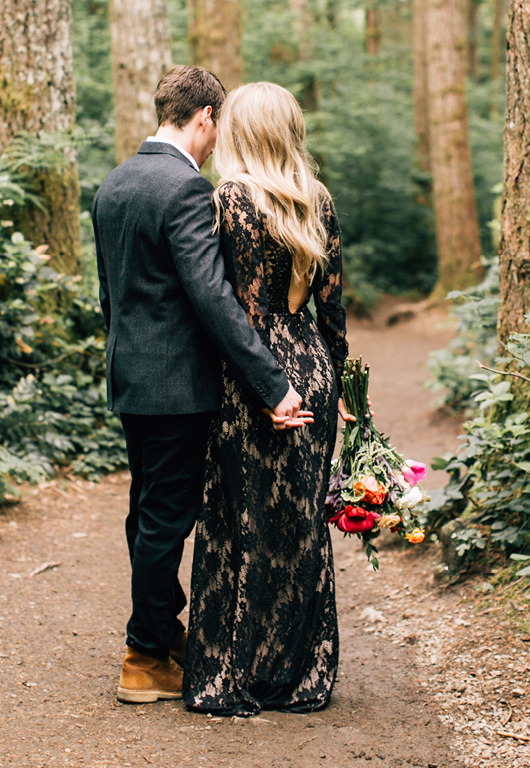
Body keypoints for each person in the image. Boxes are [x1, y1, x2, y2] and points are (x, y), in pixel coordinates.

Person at [91, 66, 310, 706]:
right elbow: (214, 299)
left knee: (146, 515)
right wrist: (272, 383)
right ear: (206, 117)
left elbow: (112, 296)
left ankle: (162, 629)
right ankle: (144, 655)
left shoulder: (114, 184)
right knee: (165, 519)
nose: (217, 145)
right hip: (179, 386)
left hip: (130, 377)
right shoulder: (186, 188)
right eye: (217, 129)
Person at [183, 81, 350, 717]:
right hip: (310, 365)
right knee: (301, 523)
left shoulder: (230, 199)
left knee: (237, 520)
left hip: (252, 376)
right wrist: (341, 389)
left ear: (240, 132)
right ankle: (301, 673)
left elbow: (228, 308)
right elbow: (332, 306)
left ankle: (233, 674)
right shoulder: (319, 199)